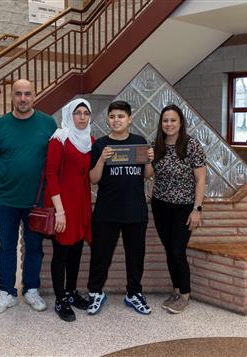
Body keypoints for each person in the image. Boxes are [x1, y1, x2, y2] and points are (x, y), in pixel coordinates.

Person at [0, 79, 57, 315]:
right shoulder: (0, 126)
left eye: (27, 94)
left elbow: (56, 161)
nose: (23, 98)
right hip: (5, 199)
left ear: (34, 95)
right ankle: (7, 292)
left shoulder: (48, 123)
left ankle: (31, 289)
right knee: (6, 246)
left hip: (36, 201)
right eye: (18, 94)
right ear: (12, 97)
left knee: (34, 246)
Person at [87, 100, 154, 315]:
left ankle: (133, 293)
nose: (117, 120)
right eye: (113, 116)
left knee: (136, 256)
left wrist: (149, 160)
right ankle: (95, 292)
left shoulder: (139, 141)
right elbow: (93, 179)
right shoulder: (100, 145)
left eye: (121, 116)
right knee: (100, 255)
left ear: (129, 119)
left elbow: (147, 175)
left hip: (135, 210)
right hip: (107, 211)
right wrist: (102, 161)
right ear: (108, 119)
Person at [151, 104, 206, 314]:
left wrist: (197, 209)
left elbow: (201, 179)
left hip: (185, 207)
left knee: (177, 250)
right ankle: (175, 290)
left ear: (180, 122)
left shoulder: (191, 145)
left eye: (173, 120)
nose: (169, 124)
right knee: (169, 251)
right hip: (160, 205)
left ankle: (184, 294)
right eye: (165, 120)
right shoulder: (156, 146)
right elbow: (149, 173)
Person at [44, 98, 94, 322]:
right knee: (61, 252)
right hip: (62, 204)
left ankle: (72, 292)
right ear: (69, 115)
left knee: (76, 250)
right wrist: (59, 211)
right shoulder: (59, 138)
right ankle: (60, 298)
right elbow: (50, 175)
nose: (82, 117)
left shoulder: (90, 140)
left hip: (81, 203)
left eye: (86, 113)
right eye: (78, 113)